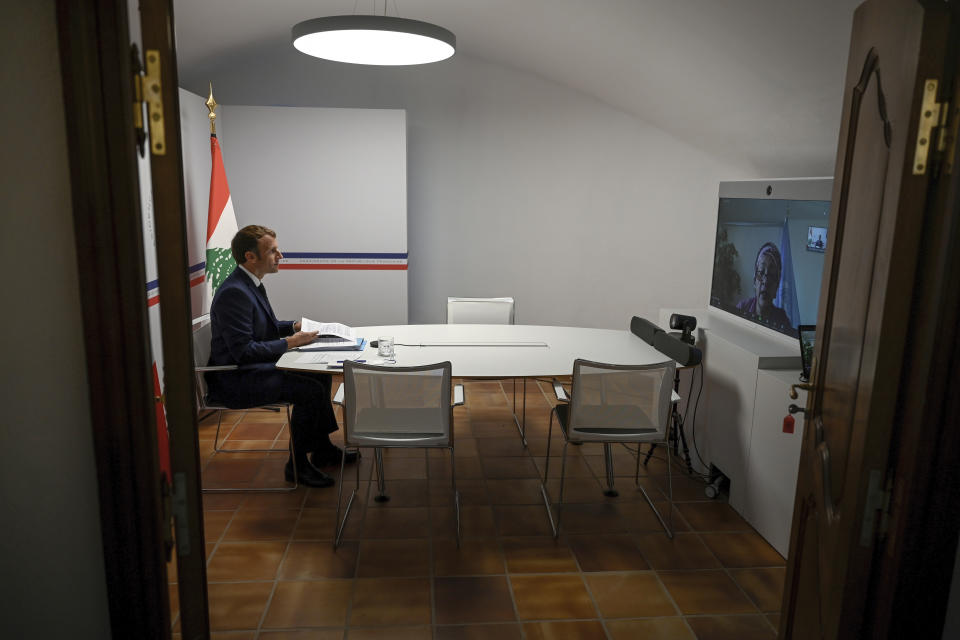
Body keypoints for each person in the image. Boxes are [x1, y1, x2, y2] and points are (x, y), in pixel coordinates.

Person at [206, 225, 356, 488]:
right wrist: (289, 342)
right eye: (272, 251)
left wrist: (294, 327)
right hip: (235, 379)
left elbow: (266, 327)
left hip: (251, 369)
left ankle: (322, 449)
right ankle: (297, 465)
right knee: (308, 390)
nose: (280, 255)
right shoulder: (234, 293)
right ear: (250, 257)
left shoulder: (249, 284)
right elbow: (244, 351)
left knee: (318, 377)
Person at [736, 242, 793, 330]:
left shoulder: (782, 320)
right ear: (755, 281)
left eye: (772, 275)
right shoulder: (742, 307)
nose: (766, 281)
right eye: (761, 272)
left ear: (776, 287)